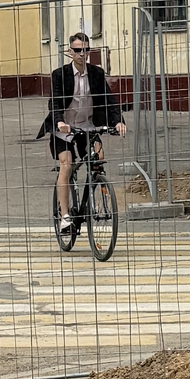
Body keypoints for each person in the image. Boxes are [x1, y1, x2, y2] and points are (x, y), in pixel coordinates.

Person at [38, 28, 119, 242]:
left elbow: (108, 100)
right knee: (67, 164)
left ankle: (93, 202)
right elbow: (54, 102)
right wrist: (60, 122)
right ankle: (65, 216)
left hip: (87, 127)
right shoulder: (60, 74)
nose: (82, 54)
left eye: (85, 50)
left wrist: (118, 121)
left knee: (98, 159)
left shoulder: (96, 73)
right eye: (77, 50)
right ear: (70, 52)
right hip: (63, 130)